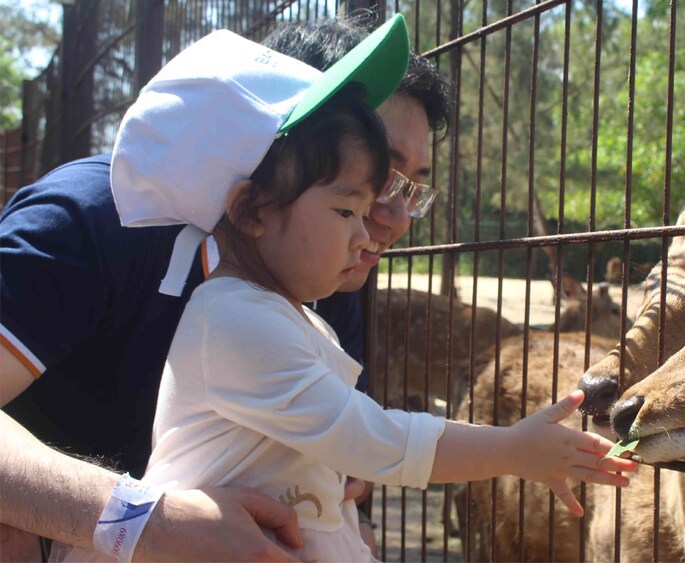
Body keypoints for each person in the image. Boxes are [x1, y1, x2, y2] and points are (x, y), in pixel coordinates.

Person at [53, 16, 635, 562]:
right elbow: (371, 438)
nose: (378, 229)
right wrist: (512, 449)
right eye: (346, 209)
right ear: (253, 208)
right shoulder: (232, 320)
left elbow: (332, 487)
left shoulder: (304, 315)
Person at [0, 14, 448, 563]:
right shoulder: (88, 219)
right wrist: (148, 520)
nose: (399, 216)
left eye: (413, 187)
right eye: (377, 173)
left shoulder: (320, 274)